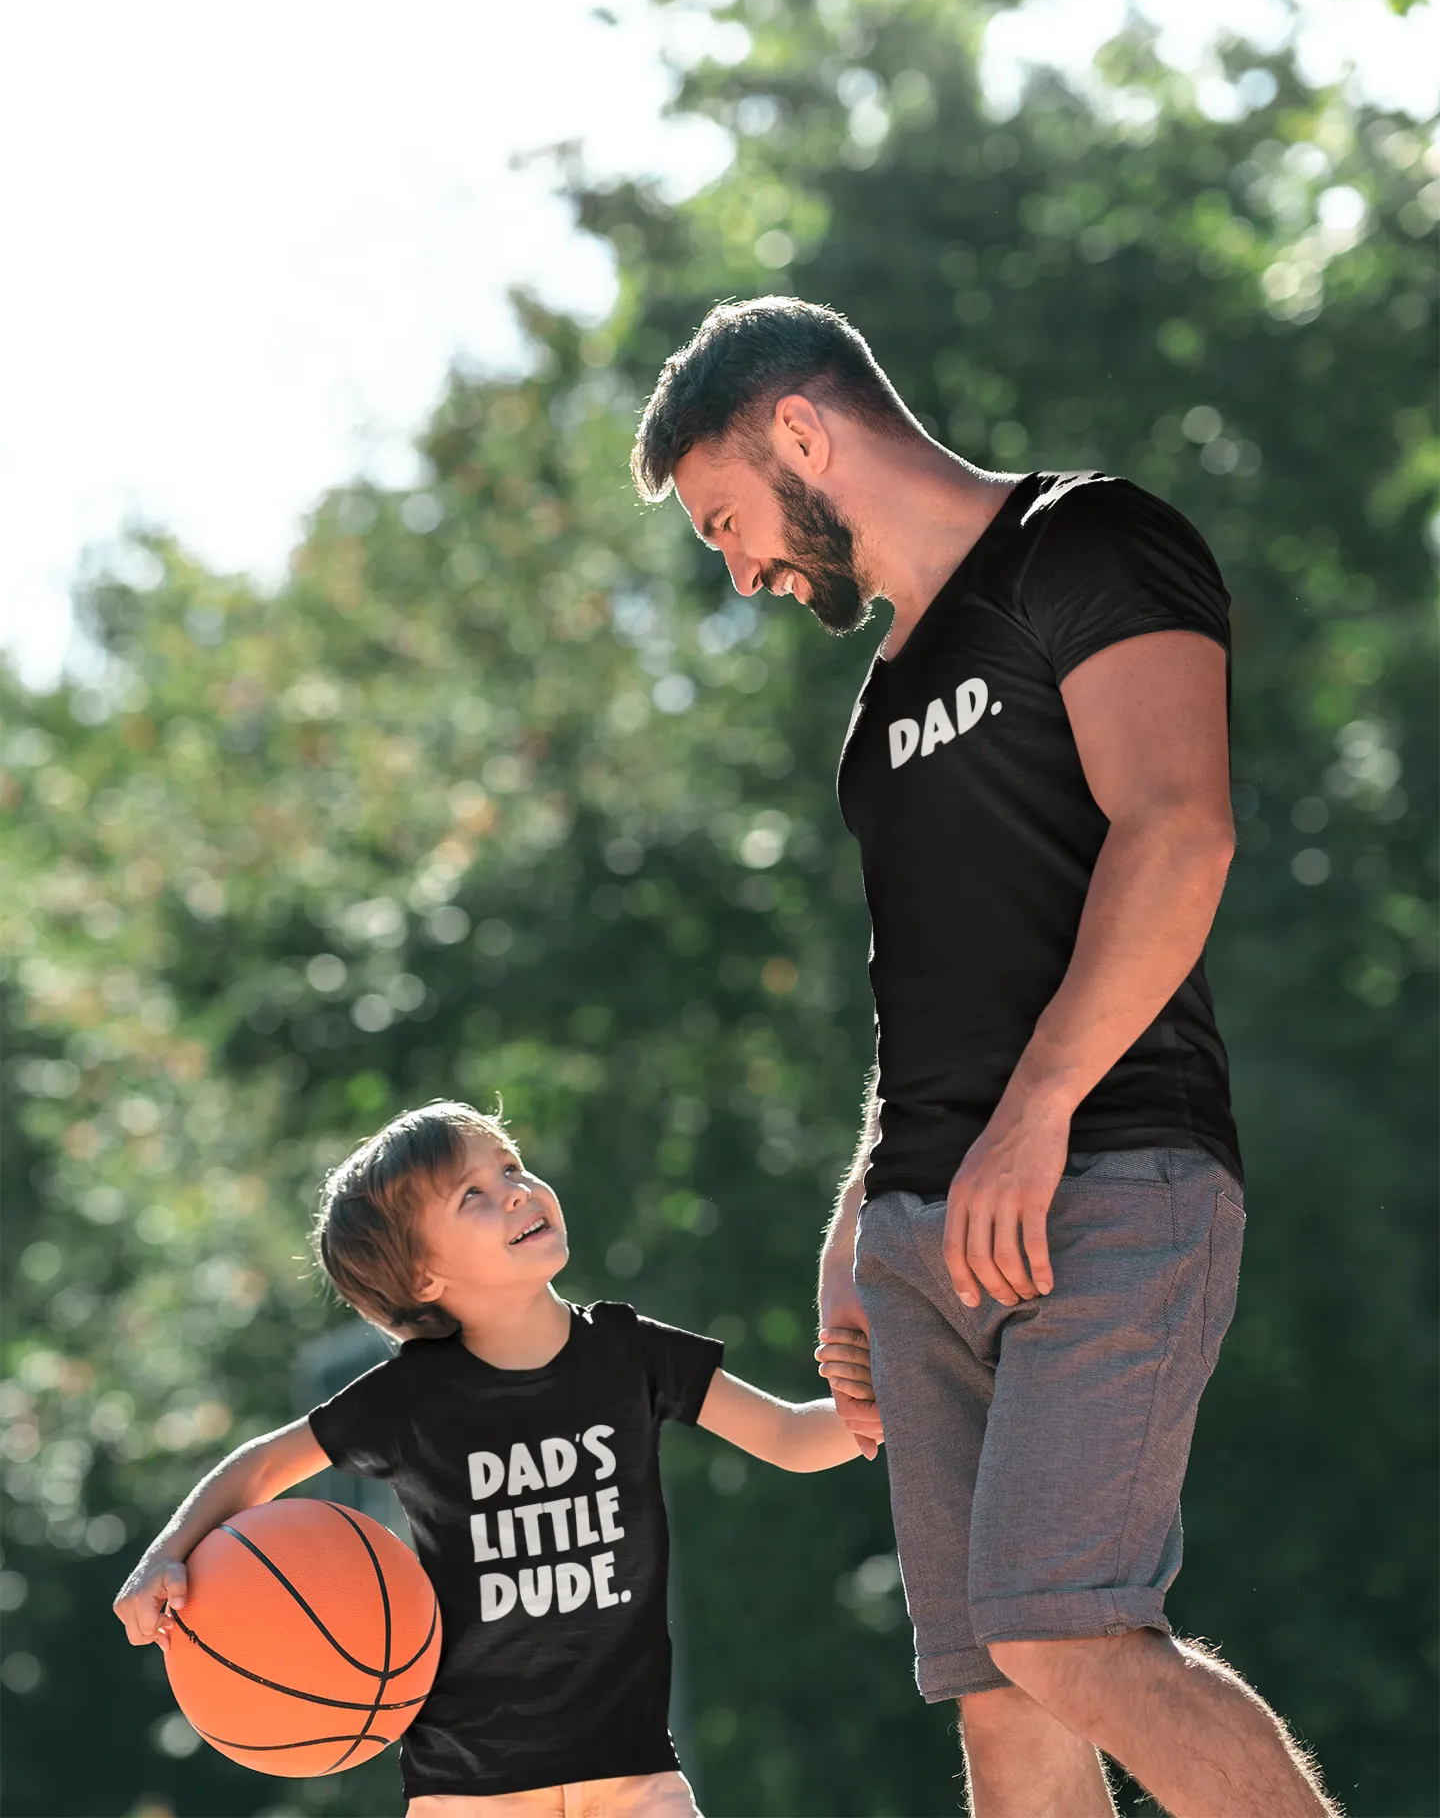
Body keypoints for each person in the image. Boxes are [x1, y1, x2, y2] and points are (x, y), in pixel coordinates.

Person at [632, 297, 1340, 1818]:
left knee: (1066, 1626)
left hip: (1109, 1176)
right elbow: (928, 1001)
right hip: (924, 1238)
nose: (742, 567)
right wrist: (855, 1229)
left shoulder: (1083, 542)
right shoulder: (878, 708)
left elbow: (1179, 827)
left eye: (725, 521)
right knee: (1002, 1706)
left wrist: (1036, 1116)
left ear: (803, 433)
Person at [113, 1099, 880, 1816]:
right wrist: (164, 1556)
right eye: (470, 1195)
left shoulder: (630, 1354)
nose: (514, 1192)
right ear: (423, 1277)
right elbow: (259, 1468)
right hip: (469, 1787)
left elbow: (786, 1436)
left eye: (510, 1168)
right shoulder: (414, 1399)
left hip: (635, 1774)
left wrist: (894, 1404)